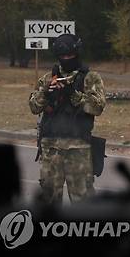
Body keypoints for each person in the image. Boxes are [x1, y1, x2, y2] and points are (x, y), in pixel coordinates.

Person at [28, 33, 106, 204]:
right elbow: (34, 107)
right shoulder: (49, 78)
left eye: (70, 55)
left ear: (77, 53)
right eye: (62, 56)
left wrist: (73, 94)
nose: (66, 59)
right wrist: (46, 93)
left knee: (82, 201)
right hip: (50, 148)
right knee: (49, 200)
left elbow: (97, 107)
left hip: (78, 148)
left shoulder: (90, 77)